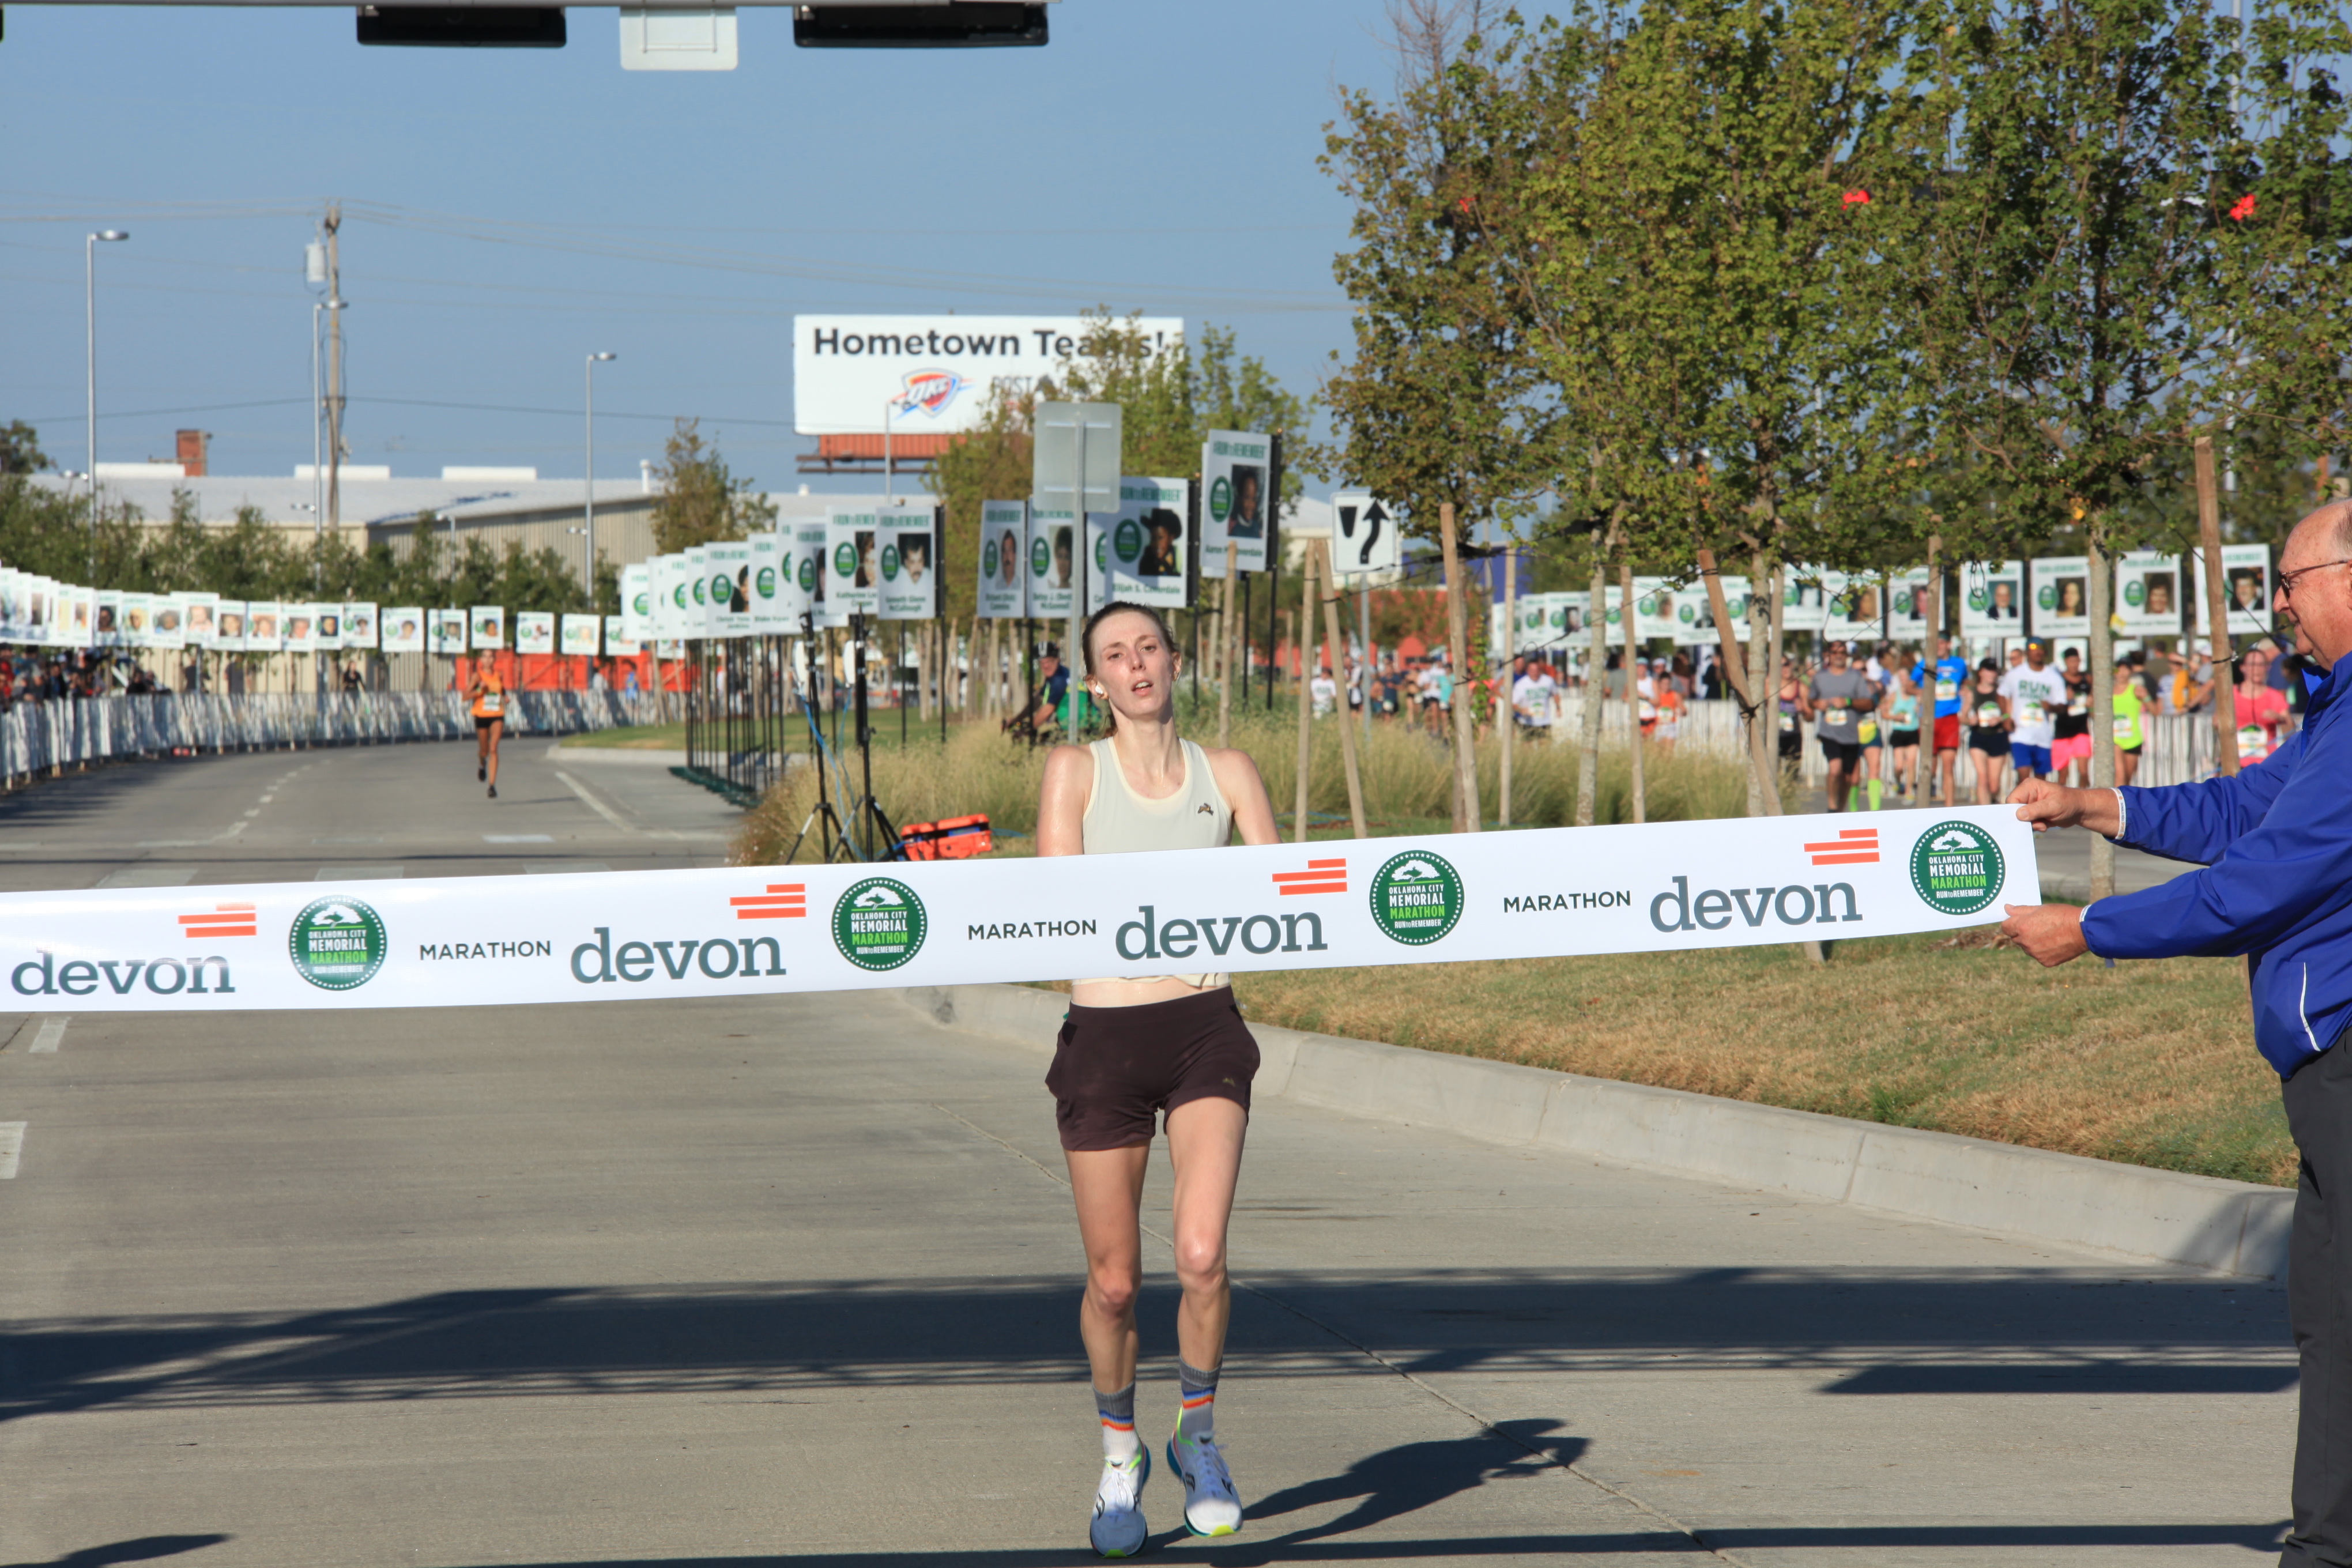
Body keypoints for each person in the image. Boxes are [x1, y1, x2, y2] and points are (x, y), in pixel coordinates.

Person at [1999, 500, 2352, 1568]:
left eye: (2288, 581)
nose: (2278, 604)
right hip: (2323, 1062)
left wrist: (2091, 928)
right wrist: (2101, 807)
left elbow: (2258, 886)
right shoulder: (2336, 710)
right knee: (2331, 1319)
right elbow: (2249, 811)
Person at [1036, 600, 1279, 1556]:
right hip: (1104, 1040)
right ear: (1094, 683)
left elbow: (1287, 892)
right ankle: (1118, 1454)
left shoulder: (1231, 774)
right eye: (1114, 656)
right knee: (1113, 1282)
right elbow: (1061, 905)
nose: (1136, 665)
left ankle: (1201, 1438)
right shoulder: (1073, 772)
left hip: (1204, 1030)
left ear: (1178, 662)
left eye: (1149, 648)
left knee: (1202, 1255)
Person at [1808, 640, 1877, 813]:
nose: (1839, 655)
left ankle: (1840, 809)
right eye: (1835, 652)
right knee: (1835, 768)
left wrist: (1847, 701)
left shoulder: (1855, 677)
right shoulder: (1820, 677)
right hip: (1829, 732)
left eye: (1842, 652)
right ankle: (1831, 806)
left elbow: (1869, 703)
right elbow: (1811, 699)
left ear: (1847, 655)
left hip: (1851, 734)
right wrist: (1817, 704)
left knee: (1848, 778)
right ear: (1828, 655)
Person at [1997, 638, 2067, 781]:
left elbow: (2062, 705)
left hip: (2043, 736)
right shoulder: (2016, 674)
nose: (2038, 652)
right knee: (2024, 775)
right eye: (2034, 649)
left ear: (2046, 652)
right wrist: (2006, 717)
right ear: (2027, 653)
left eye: (2041, 649)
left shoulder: (2053, 677)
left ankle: (2038, 804)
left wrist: (2051, 707)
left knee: (2040, 780)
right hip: (2020, 733)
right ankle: (2022, 803)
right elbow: (2001, 693)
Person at [1920, 634, 1969, 808]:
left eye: (1942, 642)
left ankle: (1950, 808)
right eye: (1936, 643)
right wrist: (1921, 694)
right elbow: (1911, 686)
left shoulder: (1960, 664)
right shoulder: (1924, 664)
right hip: (1928, 718)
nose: (1939, 646)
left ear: (1949, 644)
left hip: (1950, 718)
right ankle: (1924, 806)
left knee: (1948, 766)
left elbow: (1967, 683)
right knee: (1929, 768)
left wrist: (1965, 697)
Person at [2236, 643, 2292, 763]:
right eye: (2252, 664)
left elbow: (2291, 734)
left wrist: (2280, 719)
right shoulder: (2231, 694)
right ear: (2243, 667)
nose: (2257, 669)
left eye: (2261, 665)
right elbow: (2216, 723)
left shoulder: (2275, 697)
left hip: (2266, 765)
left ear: (2268, 668)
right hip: (2235, 765)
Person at [1965, 661, 2010, 804]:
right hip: (1979, 736)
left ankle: (1993, 801)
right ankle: (1984, 815)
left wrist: (2001, 718)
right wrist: (1970, 720)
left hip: (1998, 737)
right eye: (1989, 670)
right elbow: (1962, 717)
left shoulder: (2001, 692)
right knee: (1982, 777)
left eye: (1994, 670)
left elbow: (2009, 713)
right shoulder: (1972, 692)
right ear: (1981, 672)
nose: (1992, 674)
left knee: (1994, 785)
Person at [2051, 649, 2093, 786]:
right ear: (2065, 662)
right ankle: (2062, 805)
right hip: (2063, 731)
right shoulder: (2058, 680)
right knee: (2063, 775)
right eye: (2071, 661)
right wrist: (2064, 698)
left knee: (2084, 772)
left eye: (2076, 661)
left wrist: (2092, 703)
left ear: (2080, 661)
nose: (2074, 665)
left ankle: (2085, 803)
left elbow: (2094, 703)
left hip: (2081, 730)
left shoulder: (2087, 679)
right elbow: (2051, 704)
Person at [468, 656, 508, 798]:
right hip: (481, 715)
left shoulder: (499, 674)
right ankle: (481, 763)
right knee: (484, 751)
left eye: (491, 657)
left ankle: (492, 786)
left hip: (497, 713)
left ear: (494, 660)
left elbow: (500, 688)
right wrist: (480, 688)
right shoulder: (477, 676)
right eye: (485, 657)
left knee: (493, 748)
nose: (488, 660)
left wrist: (506, 695)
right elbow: (466, 696)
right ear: (480, 660)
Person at [1886, 658, 1923, 802]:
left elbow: (1924, 713)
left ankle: (1909, 792)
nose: (1903, 679)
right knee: (1900, 766)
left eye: (1905, 676)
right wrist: (1896, 717)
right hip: (1899, 732)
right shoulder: (1895, 695)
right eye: (1900, 676)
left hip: (1912, 731)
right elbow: (1885, 713)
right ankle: (1897, 781)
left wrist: (1919, 709)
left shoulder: (1916, 694)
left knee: (1911, 763)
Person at [2113, 649, 2147, 786]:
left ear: (2131, 671)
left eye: (2126, 669)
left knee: (2127, 779)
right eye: (2119, 669)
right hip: (2115, 739)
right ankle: (2114, 807)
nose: (2122, 673)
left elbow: (2155, 710)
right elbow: (2094, 714)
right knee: (2120, 778)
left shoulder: (2136, 689)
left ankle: (2126, 806)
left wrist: (2147, 696)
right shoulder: (2107, 690)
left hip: (2133, 739)